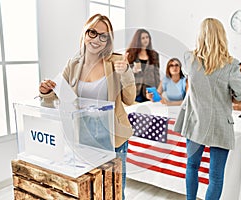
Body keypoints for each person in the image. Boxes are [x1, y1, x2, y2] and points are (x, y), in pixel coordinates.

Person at [38, 14, 136, 199]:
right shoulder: (73, 65)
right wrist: (45, 91)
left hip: (114, 139)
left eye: (103, 35)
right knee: (90, 192)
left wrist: (126, 73)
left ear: (108, 40)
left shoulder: (116, 62)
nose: (97, 39)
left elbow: (129, 100)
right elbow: (56, 97)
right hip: (83, 139)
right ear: (85, 33)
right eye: (93, 32)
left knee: (114, 192)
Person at [174, 18, 241, 200]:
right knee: (215, 176)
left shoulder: (188, 58)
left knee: (192, 166)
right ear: (222, 37)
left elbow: (192, 79)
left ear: (200, 36)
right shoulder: (231, 64)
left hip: (195, 121)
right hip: (219, 123)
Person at [126, 29, 160, 102]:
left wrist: (157, 90)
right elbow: (125, 72)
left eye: (147, 37)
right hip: (135, 90)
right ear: (138, 40)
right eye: (143, 38)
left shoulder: (154, 54)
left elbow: (156, 74)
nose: (145, 40)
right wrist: (133, 70)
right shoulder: (130, 54)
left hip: (149, 90)